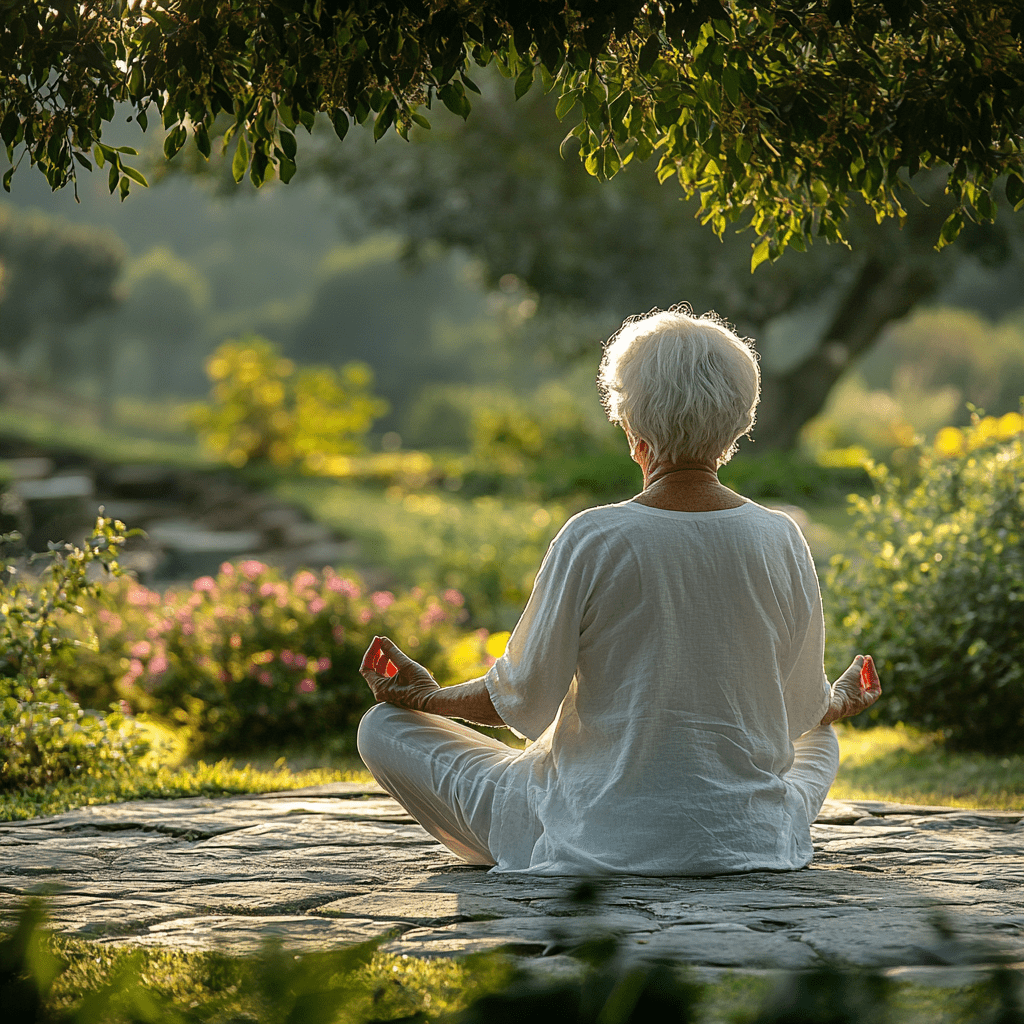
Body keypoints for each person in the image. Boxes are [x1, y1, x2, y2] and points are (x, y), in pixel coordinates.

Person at [357, 306, 881, 876]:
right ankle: (733, 832)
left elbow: (523, 699)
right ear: (738, 424)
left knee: (381, 727)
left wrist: (425, 698)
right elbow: (802, 708)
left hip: (595, 836)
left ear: (633, 431)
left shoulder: (594, 536)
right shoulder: (781, 536)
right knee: (821, 739)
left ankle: (520, 840)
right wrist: (842, 700)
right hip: (751, 839)